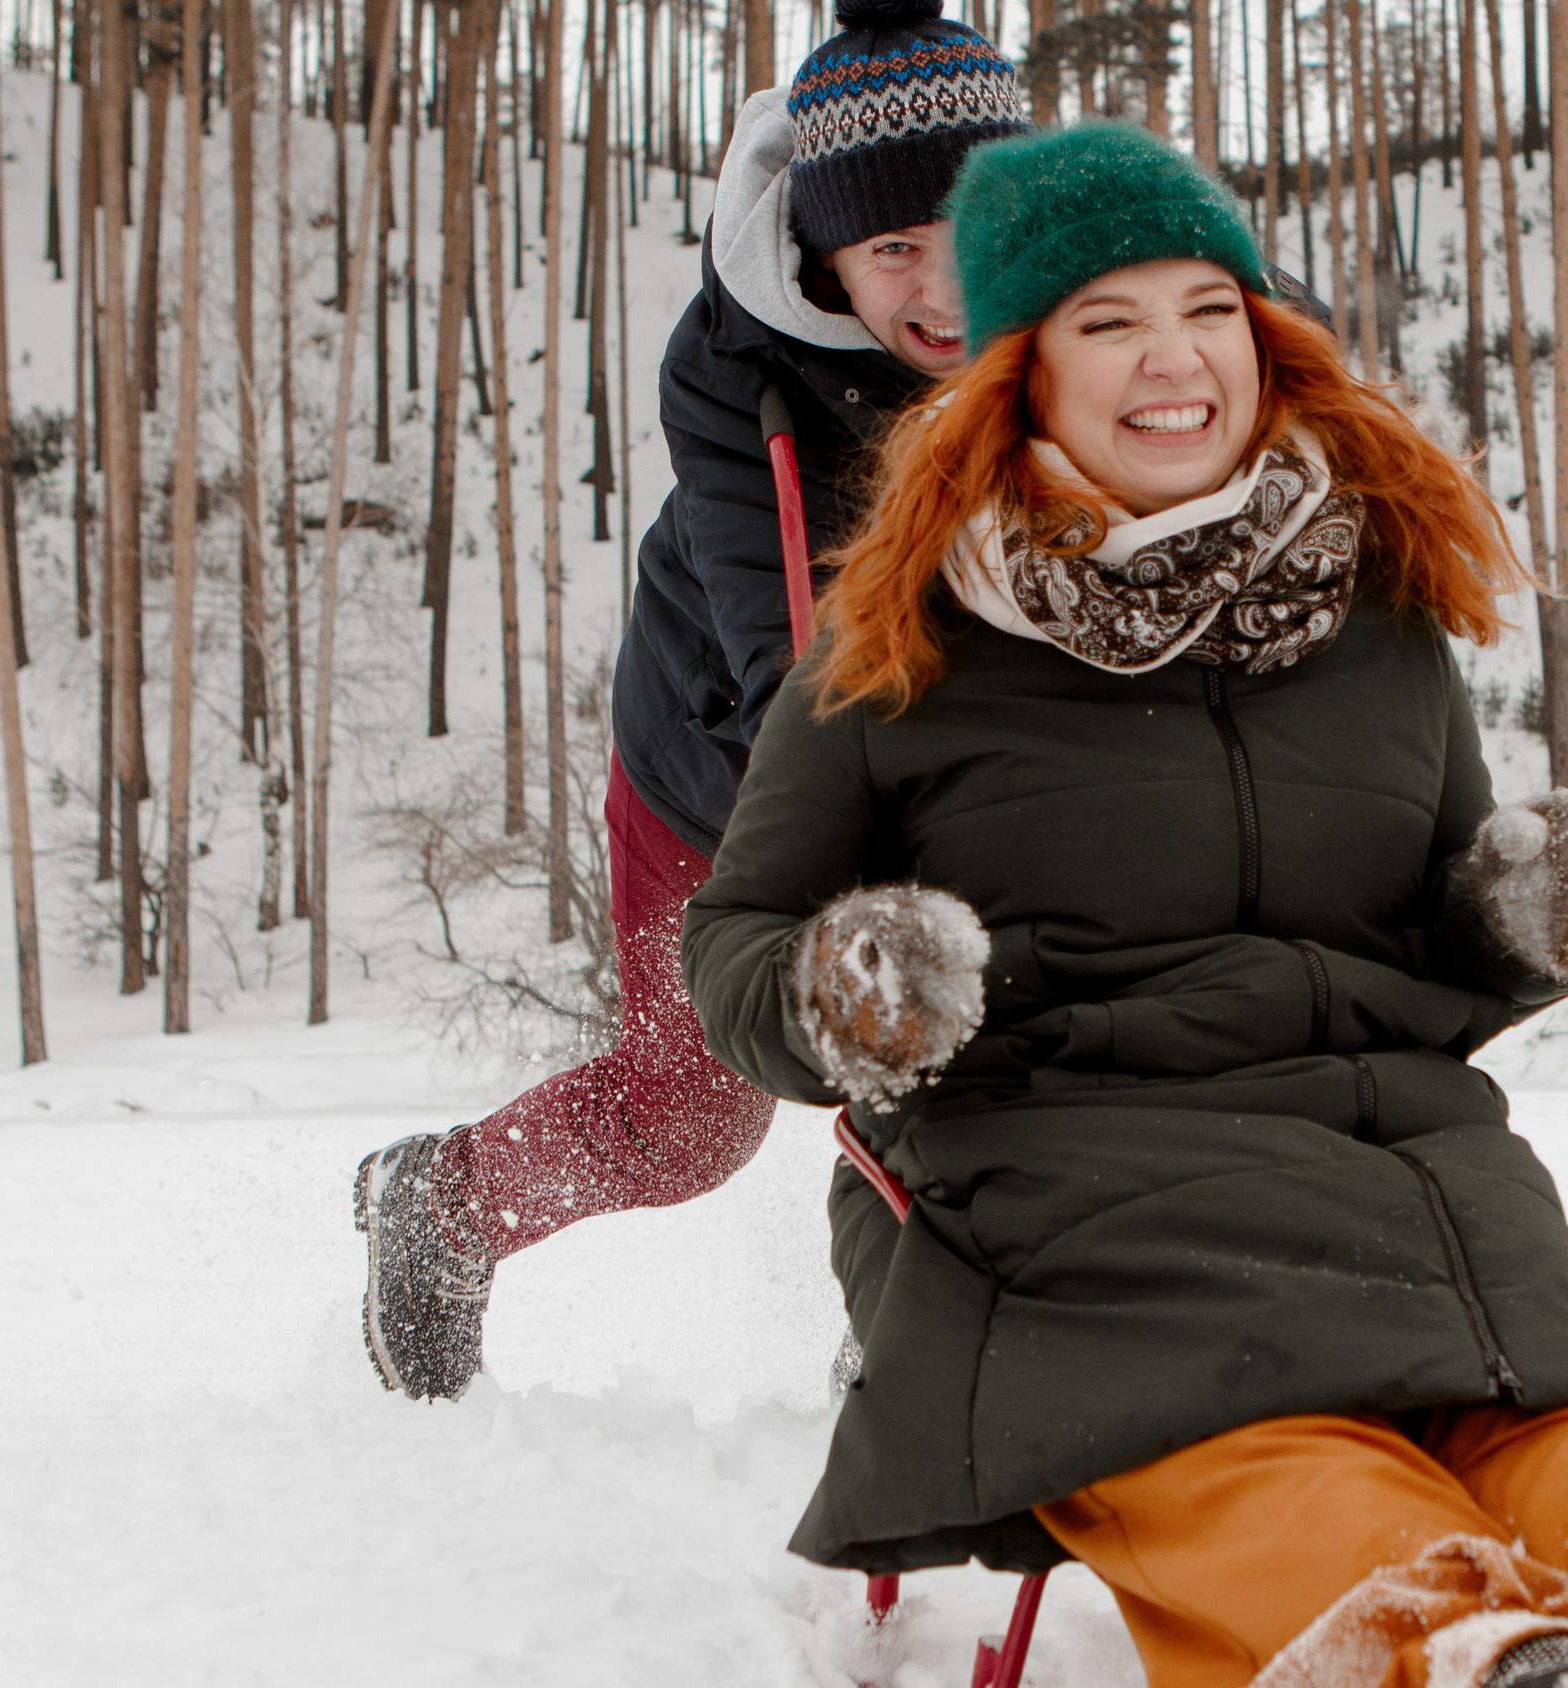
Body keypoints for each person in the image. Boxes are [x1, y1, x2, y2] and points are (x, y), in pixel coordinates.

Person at [682, 124, 1568, 1688]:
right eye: (1108, 321)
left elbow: (1427, 947)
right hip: (1068, 1189)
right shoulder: (897, 643)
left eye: (1209, 307)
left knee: (1560, 1437)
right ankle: (1464, 1659)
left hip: (1393, 1166)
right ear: (1021, 374)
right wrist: (846, 992)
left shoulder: (1376, 615)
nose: (1173, 359)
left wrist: (1514, 923)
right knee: (1273, 1463)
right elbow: (731, 938)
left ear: (1265, 338)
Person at [352, 0, 1030, 1402]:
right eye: (895, 248)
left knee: (1017, 1044)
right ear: (824, 251)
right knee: (689, 1123)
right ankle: (448, 1204)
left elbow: (1261, 341)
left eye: (973, 229)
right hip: (721, 778)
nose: (946, 290)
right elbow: (788, 646)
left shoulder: (1092, 300)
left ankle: (919, 1333)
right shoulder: (736, 371)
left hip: (1002, 769)